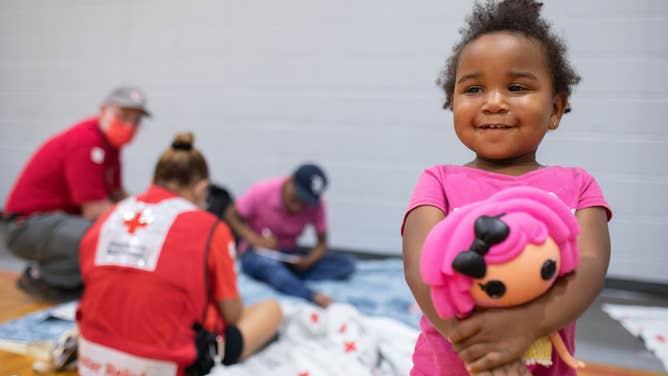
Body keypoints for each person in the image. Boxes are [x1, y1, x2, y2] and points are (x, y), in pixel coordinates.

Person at [401, 1, 612, 375]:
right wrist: (477, 344)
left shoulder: (578, 186)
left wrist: (527, 325)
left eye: (516, 87)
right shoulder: (438, 181)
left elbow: (591, 267)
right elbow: (421, 268)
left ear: (556, 108)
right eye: (474, 88)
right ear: (453, 102)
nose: (494, 102)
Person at [77, 133, 282, 376]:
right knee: (271, 309)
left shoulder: (110, 216)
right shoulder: (210, 228)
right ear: (202, 189)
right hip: (165, 365)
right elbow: (232, 314)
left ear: (153, 180)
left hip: (91, 357)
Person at [0, 85, 150, 301]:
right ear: (104, 110)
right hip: (24, 228)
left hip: (54, 224)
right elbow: (95, 209)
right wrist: (139, 227)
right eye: (123, 116)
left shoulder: (110, 148)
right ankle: (43, 278)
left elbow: (117, 194)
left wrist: (150, 212)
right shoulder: (86, 142)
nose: (129, 125)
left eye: (136, 121)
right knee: (105, 234)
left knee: (114, 231)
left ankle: (72, 281)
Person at [225, 163, 356, 308]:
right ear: (289, 181)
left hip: (290, 255)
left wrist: (308, 261)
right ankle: (308, 294)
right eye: (297, 197)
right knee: (267, 266)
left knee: (346, 264)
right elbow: (231, 215)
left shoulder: (317, 205)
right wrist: (255, 240)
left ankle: (286, 279)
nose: (299, 206)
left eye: (305, 202)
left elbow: (322, 244)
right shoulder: (262, 191)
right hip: (258, 253)